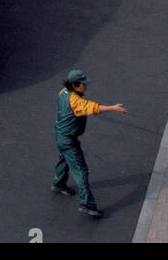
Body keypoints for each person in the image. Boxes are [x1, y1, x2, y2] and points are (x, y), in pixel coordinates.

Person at [52, 68, 126, 217]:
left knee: (64, 159)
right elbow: (92, 107)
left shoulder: (63, 93)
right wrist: (112, 107)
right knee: (81, 170)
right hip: (69, 140)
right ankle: (87, 203)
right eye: (83, 84)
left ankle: (58, 183)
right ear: (74, 85)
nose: (85, 87)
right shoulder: (75, 101)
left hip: (60, 135)